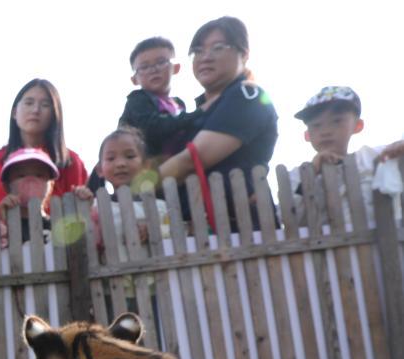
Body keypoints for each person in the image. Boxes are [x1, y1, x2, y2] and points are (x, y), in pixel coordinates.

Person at [158, 17, 278, 231]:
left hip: (241, 231)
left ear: (244, 54)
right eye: (198, 51)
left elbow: (193, 158)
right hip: (193, 232)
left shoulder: (247, 97)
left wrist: (139, 188)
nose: (205, 57)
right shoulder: (196, 111)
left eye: (218, 47)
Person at [290, 86, 404, 223]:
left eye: (337, 121)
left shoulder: (375, 157)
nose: (326, 131)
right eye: (316, 125)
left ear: (358, 126)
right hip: (329, 244)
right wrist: (311, 174)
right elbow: (290, 219)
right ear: (307, 135)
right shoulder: (296, 177)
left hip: (385, 242)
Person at [0, 80, 87, 212]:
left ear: (54, 114)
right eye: (29, 103)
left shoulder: (71, 162)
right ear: (14, 112)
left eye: (45, 105)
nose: (35, 110)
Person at [119, 37, 203, 163]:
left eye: (161, 62)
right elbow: (152, 127)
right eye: (144, 67)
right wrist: (198, 114)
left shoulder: (179, 105)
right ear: (134, 79)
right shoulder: (137, 100)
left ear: (176, 68)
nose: (154, 70)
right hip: (146, 172)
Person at [90, 128, 170, 248]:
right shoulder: (95, 208)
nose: (120, 163)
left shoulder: (160, 208)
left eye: (130, 156)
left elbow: (176, 233)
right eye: (111, 158)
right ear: (100, 170)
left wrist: (154, 231)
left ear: (145, 166)